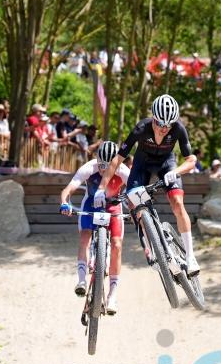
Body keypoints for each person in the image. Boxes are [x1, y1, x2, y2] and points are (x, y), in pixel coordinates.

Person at [93, 93, 201, 275]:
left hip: (167, 165)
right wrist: (101, 188)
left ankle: (190, 257)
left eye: (168, 125)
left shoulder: (178, 128)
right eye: (159, 123)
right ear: (153, 118)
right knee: (136, 205)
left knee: (177, 203)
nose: (164, 129)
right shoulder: (141, 128)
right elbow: (117, 160)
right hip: (141, 166)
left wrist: (176, 172)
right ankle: (153, 246)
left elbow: (191, 160)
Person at [59, 141, 130, 314]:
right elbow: (68, 189)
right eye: (101, 165)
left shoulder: (123, 171)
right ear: (97, 159)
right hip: (91, 205)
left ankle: (112, 296)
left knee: (117, 245)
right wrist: (64, 203)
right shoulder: (88, 168)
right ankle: (81, 281)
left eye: (109, 166)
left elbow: (133, 192)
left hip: (113, 206)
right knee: (85, 237)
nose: (104, 170)